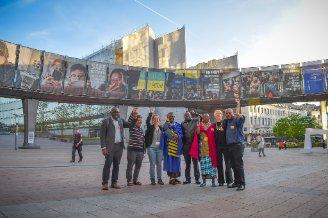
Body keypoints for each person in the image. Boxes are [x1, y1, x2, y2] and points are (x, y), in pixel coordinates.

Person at [100, 107, 138, 190]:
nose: (117, 113)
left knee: (116, 165)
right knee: (108, 164)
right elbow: (102, 136)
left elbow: (130, 125)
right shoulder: (106, 121)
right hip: (110, 147)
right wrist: (103, 148)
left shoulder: (121, 120)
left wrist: (134, 117)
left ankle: (114, 182)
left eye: (118, 112)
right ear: (111, 113)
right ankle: (105, 183)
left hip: (119, 146)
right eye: (115, 112)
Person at [224, 99, 246, 191]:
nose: (228, 115)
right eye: (226, 114)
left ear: (232, 113)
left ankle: (242, 183)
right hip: (230, 146)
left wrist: (242, 116)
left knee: (238, 165)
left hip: (238, 145)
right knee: (233, 165)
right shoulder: (227, 122)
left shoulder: (236, 120)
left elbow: (241, 119)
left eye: (229, 113)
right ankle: (236, 182)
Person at [190, 114, 217, 187]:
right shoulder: (200, 125)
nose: (206, 118)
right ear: (203, 118)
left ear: (209, 118)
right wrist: (198, 126)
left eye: (207, 117)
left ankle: (213, 182)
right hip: (203, 149)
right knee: (203, 166)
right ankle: (204, 181)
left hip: (211, 149)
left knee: (212, 166)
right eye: (204, 117)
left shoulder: (212, 126)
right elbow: (197, 133)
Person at [161, 112, 183, 185]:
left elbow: (181, 134)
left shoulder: (178, 125)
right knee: (170, 163)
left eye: (172, 116)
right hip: (169, 148)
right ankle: (171, 178)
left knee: (176, 163)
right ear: (168, 117)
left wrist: (177, 135)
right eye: (170, 117)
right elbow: (164, 133)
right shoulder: (165, 125)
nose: (172, 118)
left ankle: (175, 178)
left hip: (176, 147)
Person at [145, 107, 164, 185]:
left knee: (159, 164)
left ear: (159, 120)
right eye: (155, 119)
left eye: (157, 119)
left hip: (159, 149)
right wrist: (151, 113)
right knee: (152, 164)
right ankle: (152, 179)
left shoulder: (161, 128)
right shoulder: (150, 127)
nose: (156, 120)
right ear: (153, 120)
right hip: (151, 148)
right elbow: (147, 122)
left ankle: (159, 179)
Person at [213, 109, 233, 186]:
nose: (218, 115)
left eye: (220, 114)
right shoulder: (213, 125)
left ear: (222, 115)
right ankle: (221, 181)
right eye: (217, 114)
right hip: (217, 146)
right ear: (214, 116)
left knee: (228, 164)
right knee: (219, 164)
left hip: (226, 146)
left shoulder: (226, 122)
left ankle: (229, 181)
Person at [181, 111, 200, 184]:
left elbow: (200, 117)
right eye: (185, 115)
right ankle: (188, 179)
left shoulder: (194, 120)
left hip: (194, 145)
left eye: (188, 115)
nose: (187, 116)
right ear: (184, 116)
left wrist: (195, 113)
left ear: (190, 115)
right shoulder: (182, 123)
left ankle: (197, 179)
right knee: (187, 163)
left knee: (195, 163)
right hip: (186, 146)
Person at [126, 110, 145, 186]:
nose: (140, 122)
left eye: (141, 121)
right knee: (130, 165)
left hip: (140, 151)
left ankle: (135, 180)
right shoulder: (132, 127)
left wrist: (143, 151)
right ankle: (129, 180)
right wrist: (133, 113)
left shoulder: (141, 129)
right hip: (132, 150)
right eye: (138, 120)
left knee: (138, 166)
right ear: (135, 121)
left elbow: (143, 141)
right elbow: (130, 121)